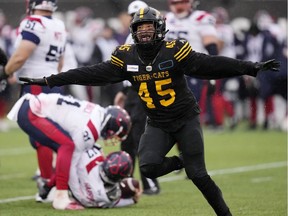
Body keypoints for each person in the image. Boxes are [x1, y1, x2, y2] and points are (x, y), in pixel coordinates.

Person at [16, 7, 280, 215]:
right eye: (139, 28)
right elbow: (93, 73)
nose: (144, 32)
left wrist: (250, 67)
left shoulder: (175, 50)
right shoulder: (126, 56)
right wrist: (51, 79)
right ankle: (181, 162)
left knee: (198, 176)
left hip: (185, 118)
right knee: (150, 167)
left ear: (159, 29)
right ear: (133, 30)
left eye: (148, 27)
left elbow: (209, 64)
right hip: (157, 122)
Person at [7, 92, 132, 210]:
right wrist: (80, 196)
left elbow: (67, 162)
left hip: (32, 106)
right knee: (67, 146)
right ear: (111, 126)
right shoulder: (91, 129)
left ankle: (50, 189)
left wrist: (50, 185)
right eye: (114, 134)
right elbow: (71, 164)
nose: (111, 137)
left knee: (66, 148)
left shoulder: (97, 111)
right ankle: (60, 198)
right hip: (33, 112)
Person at [0, 0, 67, 192]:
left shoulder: (33, 22)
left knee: (41, 137)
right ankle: (55, 181)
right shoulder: (59, 24)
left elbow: (21, 56)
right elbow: (60, 63)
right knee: (53, 135)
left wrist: (5, 72)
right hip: (52, 84)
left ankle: (48, 184)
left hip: (36, 87)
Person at [114, 0, 160, 195]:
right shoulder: (131, 37)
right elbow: (126, 68)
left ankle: (148, 180)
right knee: (129, 136)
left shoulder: (149, 37)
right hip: (135, 90)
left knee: (139, 136)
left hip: (145, 89)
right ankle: (128, 178)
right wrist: (123, 92)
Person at [68, 146, 142, 208]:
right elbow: (114, 203)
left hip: (64, 171)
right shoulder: (109, 195)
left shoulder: (95, 152)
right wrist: (133, 200)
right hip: (71, 193)